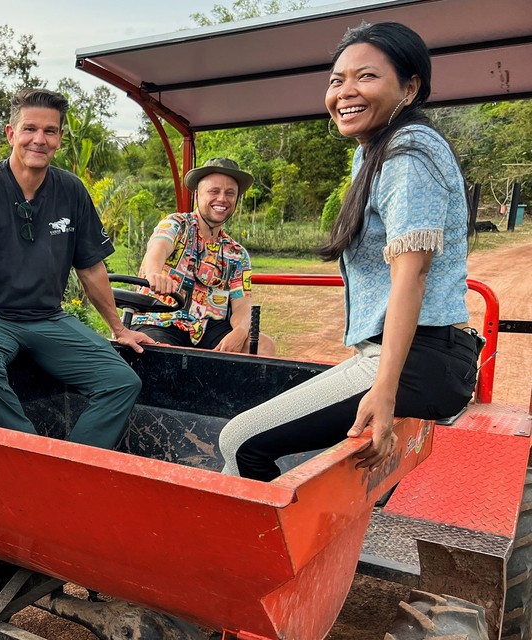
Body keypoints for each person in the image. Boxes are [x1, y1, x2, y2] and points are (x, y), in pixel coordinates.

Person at [219, 22, 479, 482]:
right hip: (407, 355)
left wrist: (385, 389)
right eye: (337, 80)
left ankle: (254, 553)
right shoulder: (373, 151)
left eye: (366, 77)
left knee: (238, 441)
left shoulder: (408, 152)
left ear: (410, 87)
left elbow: (411, 276)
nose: (345, 91)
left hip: (419, 359)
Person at [0, 88, 154, 450]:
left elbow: (91, 268)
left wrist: (118, 328)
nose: (39, 139)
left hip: (48, 318)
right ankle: (31, 454)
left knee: (121, 381)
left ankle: (73, 462)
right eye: (30, 129)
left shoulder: (71, 190)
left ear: (60, 138)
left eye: (50, 131)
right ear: (11, 133)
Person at [130, 157, 276, 356]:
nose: (222, 199)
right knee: (164, 357)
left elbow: (242, 304)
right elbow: (158, 247)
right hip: (161, 320)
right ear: (197, 195)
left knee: (264, 346)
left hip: (207, 329)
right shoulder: (177, 225)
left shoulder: (237, 254)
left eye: (230, 193)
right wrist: (154, 274)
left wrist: (241, 332)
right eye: (214, 191)